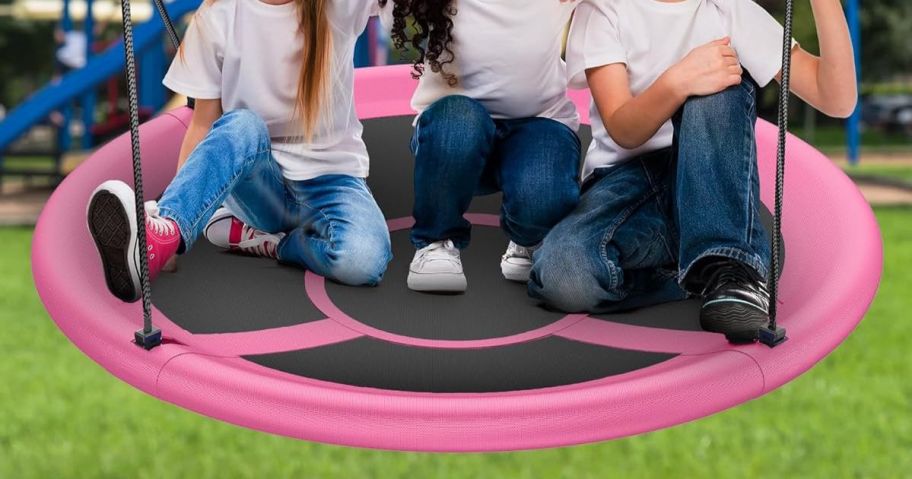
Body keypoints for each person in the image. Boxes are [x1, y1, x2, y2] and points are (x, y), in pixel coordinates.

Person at [530, 0, 857, 342]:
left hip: (709, 170)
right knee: (563, 274)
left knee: (717, 89)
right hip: (626, 185)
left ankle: (730, 268)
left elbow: (836, 99)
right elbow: (624, 131)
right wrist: (677, 81)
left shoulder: (729, 8)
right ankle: (702, 272)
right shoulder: (605, 10)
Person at [86, 0, 398, 303]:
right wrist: (173, 222)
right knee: (242, 125)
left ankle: (274, 243)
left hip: (332, 178)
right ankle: (162, 235)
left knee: (362, 261)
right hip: (259, 182)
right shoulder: (218, 15)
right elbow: (202, 125)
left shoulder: (338, 5)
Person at [388, 0, 583, 293]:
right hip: (454, 128)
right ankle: (436, 240)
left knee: (543, 196)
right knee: (461, 122)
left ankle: (528, 238)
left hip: (539, 123)